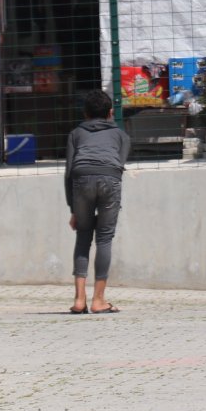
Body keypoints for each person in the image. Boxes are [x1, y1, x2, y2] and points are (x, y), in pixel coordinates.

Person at [65, 89, 132, 314]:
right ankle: (99, 300)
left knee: (83, 235)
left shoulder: (75, 134)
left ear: (84, 113)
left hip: (81, 180)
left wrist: (73, 209)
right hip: (109, 180)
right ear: (111, 113)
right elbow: (118, 166)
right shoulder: (122, 136)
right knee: (104, 238)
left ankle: (79, 300)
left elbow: (68, 173)